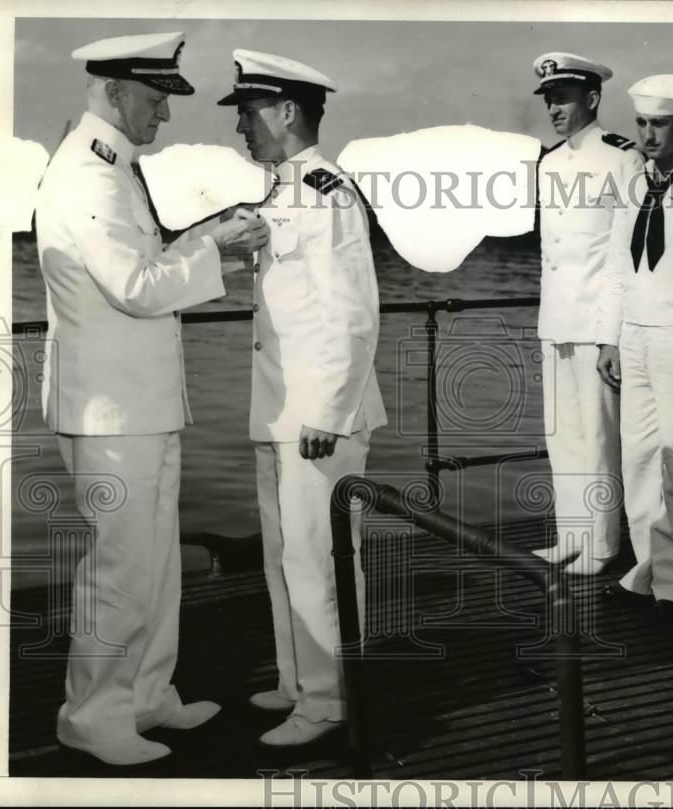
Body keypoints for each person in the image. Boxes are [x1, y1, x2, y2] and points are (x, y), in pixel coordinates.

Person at [36, 32, 270, 765]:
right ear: (112, 91)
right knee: (122, 570)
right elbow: (136, 288)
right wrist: (222, 250)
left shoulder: (115, 168)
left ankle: (145, 695)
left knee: (156, 564)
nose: (164, 115)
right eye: (155, 97)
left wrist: (208, 233)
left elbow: (149, 259)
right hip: (111, 413)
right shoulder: (89, 175)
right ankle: (93, 715)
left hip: (140, 409)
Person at [217, 49, 387, 746]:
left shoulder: (326, 191)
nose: (241, 130)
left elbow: (354, 314)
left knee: (318, 556)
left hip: (319, 416)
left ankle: (328, 700)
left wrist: (328, 411)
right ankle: (298, 679)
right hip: (283, 411)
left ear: (288, 112)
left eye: (250, 115)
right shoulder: (284, 192)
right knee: (285, 553)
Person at [596, 75, 673, 622]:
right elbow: (618, 269)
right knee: (641, 457)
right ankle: (647, 567)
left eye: (660, 124)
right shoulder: (633, 182)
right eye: (642, 123)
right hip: (636, 335)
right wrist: (611, 338)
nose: (648, 135)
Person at [530, 52, 644, 576]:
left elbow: (624, 254)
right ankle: (569, 537)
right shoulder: (549, 162)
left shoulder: (622, 158)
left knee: (599, 435)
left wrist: (610, 336)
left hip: (598, 319)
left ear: (592, 99)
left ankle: (601, 545)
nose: (554, 107)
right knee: (562, 434)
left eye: (563, 97)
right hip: (556, 317)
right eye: (549, 98)